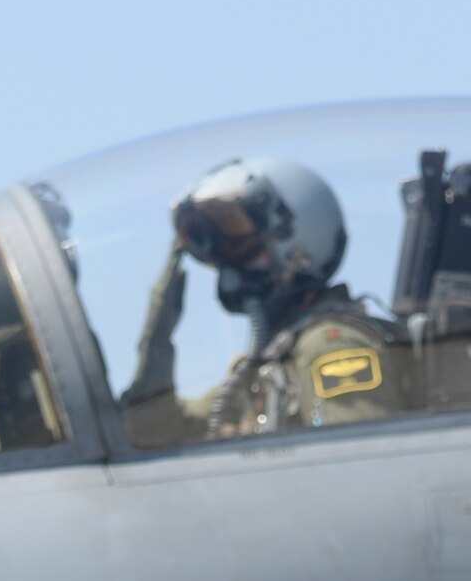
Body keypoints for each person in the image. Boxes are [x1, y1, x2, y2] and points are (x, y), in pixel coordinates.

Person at [120, 156, 408, 447]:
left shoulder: (331, 345)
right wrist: (158, 332)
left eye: (241, 240)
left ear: (298, 245)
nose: (230, 264)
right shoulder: (264, 370)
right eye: (222, 249)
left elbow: (361, 465)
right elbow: (153, 430)